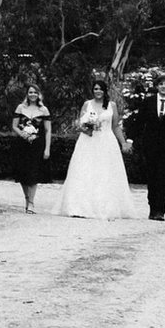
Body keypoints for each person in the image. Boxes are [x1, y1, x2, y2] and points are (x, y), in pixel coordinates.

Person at [60, 77, 135, 220]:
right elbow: (79, 124)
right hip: (88, 142)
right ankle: (79, 206)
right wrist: (86, 127)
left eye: (100, 88)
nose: (98, 91)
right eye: (95, 89)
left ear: (104, 90)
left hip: (106, 142)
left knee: (105, 173)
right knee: (85, 171)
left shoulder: (111, 105)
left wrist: (123, 142)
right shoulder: (87, 104)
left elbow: (115, 126)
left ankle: (106, 207)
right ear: (92, 90)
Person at [127, 73, 165, 221]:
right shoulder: (148, 102)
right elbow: (139, 122)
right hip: (150, 145)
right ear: (157, 86)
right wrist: (130, 139)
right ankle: (152, 207)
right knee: (152, 177)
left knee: (163, 178)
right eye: (161, 84)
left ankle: (161, 210)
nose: (164, 87)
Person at [8, 83, 53, 213]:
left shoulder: (44, 110)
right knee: (23, 174)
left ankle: (31, 203)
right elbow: (14, 126)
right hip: (22, 145)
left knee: (34, 174)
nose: (33, 95)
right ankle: (27, 199)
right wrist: (22, 133)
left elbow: (48, 130)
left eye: (35, 92)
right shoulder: (20, 107)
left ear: (39, 94)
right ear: (27, 94)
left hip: (37, 145)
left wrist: (47, 149)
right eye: (30, 92)